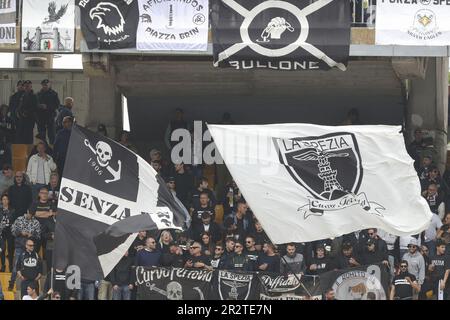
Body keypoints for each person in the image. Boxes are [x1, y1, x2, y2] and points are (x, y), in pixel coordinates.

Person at [9, 210, 41, 290]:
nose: (30, 215)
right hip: (20, 246)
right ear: (26, 212)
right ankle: (11, 284)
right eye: (29, 213)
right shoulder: (19, 219)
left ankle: (32, 284)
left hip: (30, 247)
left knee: (32, 265)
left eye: (31, 214)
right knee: (16, 266)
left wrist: (32, 235)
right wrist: (20, 232)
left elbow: (39, 236)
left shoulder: (36, 222)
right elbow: (12, 230)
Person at [36, 79, 60, 144]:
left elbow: (57, 105)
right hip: (41, 117)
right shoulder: (38, 94)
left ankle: (52, 150)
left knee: (51, 135)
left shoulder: (54, 94)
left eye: (46, 85)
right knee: (41, 135)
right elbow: (35, 104)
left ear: (49, 85)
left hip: (50, 117)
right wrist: (39, 106)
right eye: (43, 85)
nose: (45, 86)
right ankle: (43, 148)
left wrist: (47, 107)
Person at [15, 80, 37, 144]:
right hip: (22, 119)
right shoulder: (22, 95)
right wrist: (19, 112)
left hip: (30, 119)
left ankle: (29, 151)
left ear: (31, 87)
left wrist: (27, 113)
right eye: (25, 86)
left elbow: (34, 107)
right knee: (21, 136)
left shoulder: (33, 96)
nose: (26, 87)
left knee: (28, 136)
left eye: (28, 86)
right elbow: (20, 106)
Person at [0, 193, 15, 272]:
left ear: (8, 201)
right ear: (1, 201)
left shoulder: (13, 210)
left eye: (6, 199)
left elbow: (14, 221)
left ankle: (11, 266)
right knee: (2, 249)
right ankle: (3, 266)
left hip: (10, 231)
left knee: (10, 249)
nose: (5, 201)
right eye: (3, 199)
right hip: (1, 232)